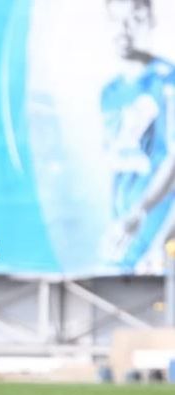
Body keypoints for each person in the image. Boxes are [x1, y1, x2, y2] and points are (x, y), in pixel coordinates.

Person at [100, 0, 175, 271]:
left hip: (158, 225)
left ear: (148, 21)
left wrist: (141, 211)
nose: (124, 30)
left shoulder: (167, 81)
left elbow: (173, 161)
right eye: (116, 20)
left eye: (133, 19)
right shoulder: (110, 93)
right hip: (123, 226)